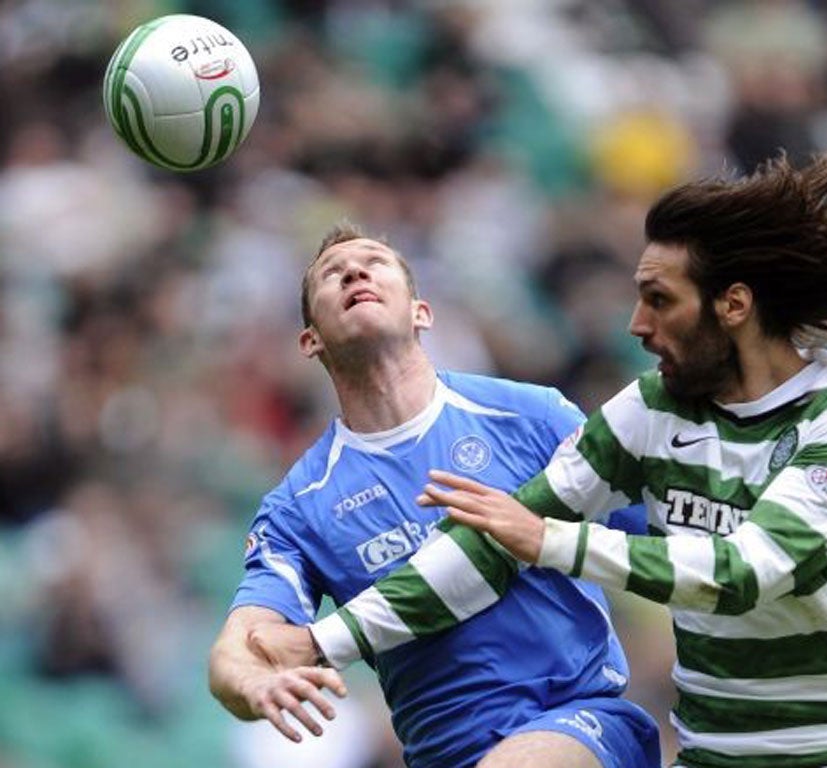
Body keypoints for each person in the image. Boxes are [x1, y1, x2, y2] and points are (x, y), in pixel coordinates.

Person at [251, 151, 827, 768]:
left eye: (659, 301)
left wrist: (550, 541)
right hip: (716, 755)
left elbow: (745, 573)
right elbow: (488, 547)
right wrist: (320, 643)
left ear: (733, 306)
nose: (636, 325)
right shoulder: (651, 411)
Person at [207, 224, 661, 768]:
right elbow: (238, 651)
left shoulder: (530, 415)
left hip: (578, 721)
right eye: (332, 274)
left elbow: (660, 528)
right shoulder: (300, 506)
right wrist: (252, 685)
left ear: (421, 312)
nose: (354, 272)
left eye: (374, 262)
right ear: (311, 341)